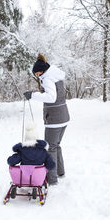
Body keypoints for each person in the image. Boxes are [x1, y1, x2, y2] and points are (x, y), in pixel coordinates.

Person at [24, 54, 70, 185]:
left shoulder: (48, 79)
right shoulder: (56, 77)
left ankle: (52, 179)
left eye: (37, 72)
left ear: (43, 70)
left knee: (50, 148)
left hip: (54, 119)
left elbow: (51, 97)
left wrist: (33, 95)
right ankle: (60, 172)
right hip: (63, 117)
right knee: (56, 146)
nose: (37, 75)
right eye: (35, 74)